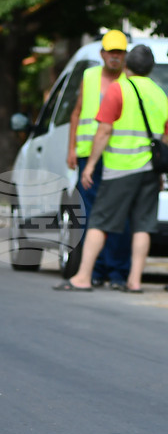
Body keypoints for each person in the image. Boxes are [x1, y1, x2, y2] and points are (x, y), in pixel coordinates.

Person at [57, 44, 168, 292]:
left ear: (128, 65)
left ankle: (83, 277)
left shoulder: (120, 89)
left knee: (99, 220)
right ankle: (135, 281)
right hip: (150, 170)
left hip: (120, 167)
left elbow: (104, 130)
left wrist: (91, 165)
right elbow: (166, 136)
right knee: (142, 225)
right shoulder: (160, 94)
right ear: (149, 68)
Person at [65, 30, 131, 287]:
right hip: (86, 156)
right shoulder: (89, 76)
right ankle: (93, 270)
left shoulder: (129, 81)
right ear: (102, 53)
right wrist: (71, 148)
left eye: (120, 52)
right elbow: (76, 113)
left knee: (118, 215)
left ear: (125, 56)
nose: (115, 57)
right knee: (90, 214)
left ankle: (116, 272)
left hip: (117, 156)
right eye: (111, 52)